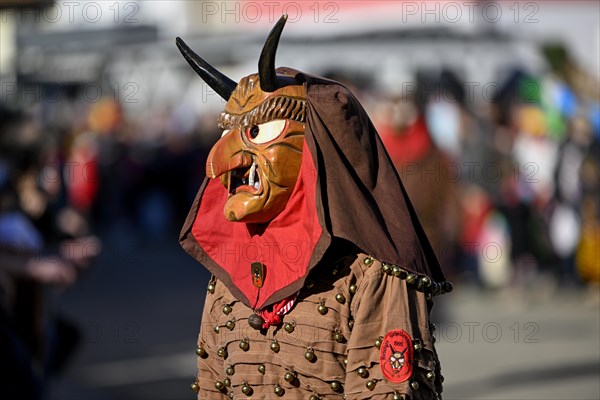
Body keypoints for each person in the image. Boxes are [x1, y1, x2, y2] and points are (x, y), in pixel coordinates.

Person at [178, 16, 451, 399]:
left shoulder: (371, 274)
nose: (229, 160)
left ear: (314, 149)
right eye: (229, 134)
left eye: (256, 133)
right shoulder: (229, 277)